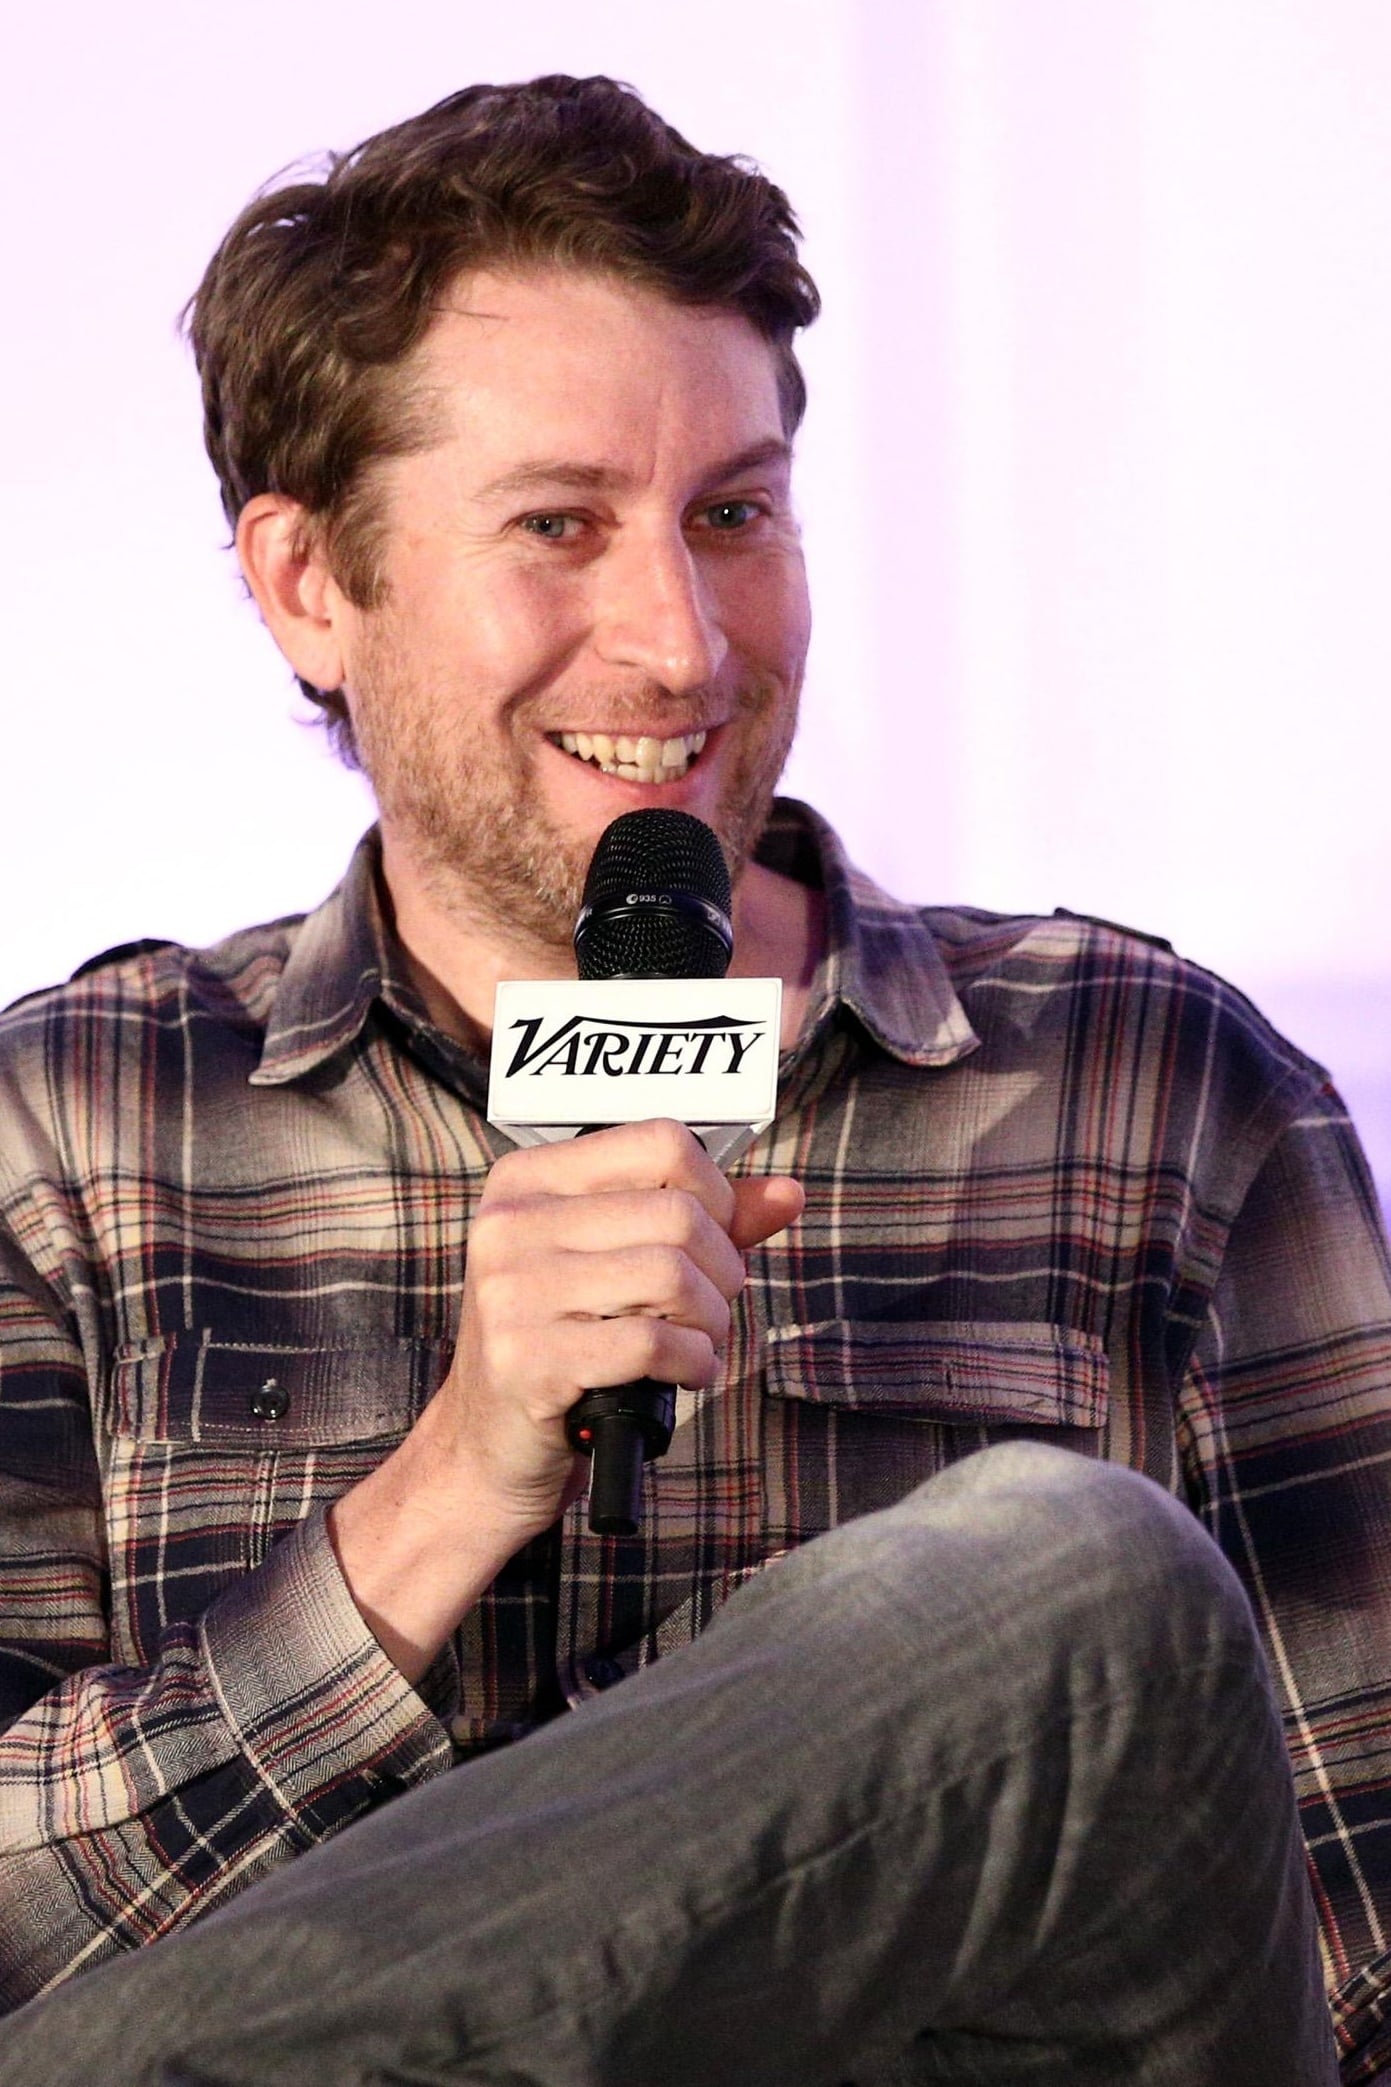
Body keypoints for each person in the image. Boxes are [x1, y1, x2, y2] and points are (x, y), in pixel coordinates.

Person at [0, 74, 1385, 2086]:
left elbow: (1361, 1977)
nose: (681, 644)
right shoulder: (71, 1138)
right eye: (559, 526)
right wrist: (442, 1496)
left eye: (733, 516)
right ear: (310, 585)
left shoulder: (1158, 1091)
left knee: (1075, 1584)